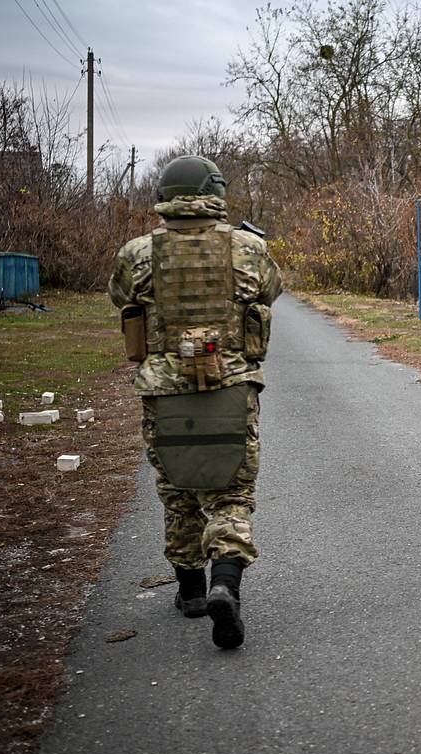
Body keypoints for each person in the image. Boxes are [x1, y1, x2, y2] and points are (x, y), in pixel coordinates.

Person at [109, 155, 282, 650]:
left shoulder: (138, 252)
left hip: (164, 391)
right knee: (230, 493)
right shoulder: (247, 248)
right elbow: (272, 289)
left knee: (177, 488)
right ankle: (224, 584)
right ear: (216, 192)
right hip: (230, 386)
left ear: (165, 195)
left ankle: (189, 592)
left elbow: (118, 295)